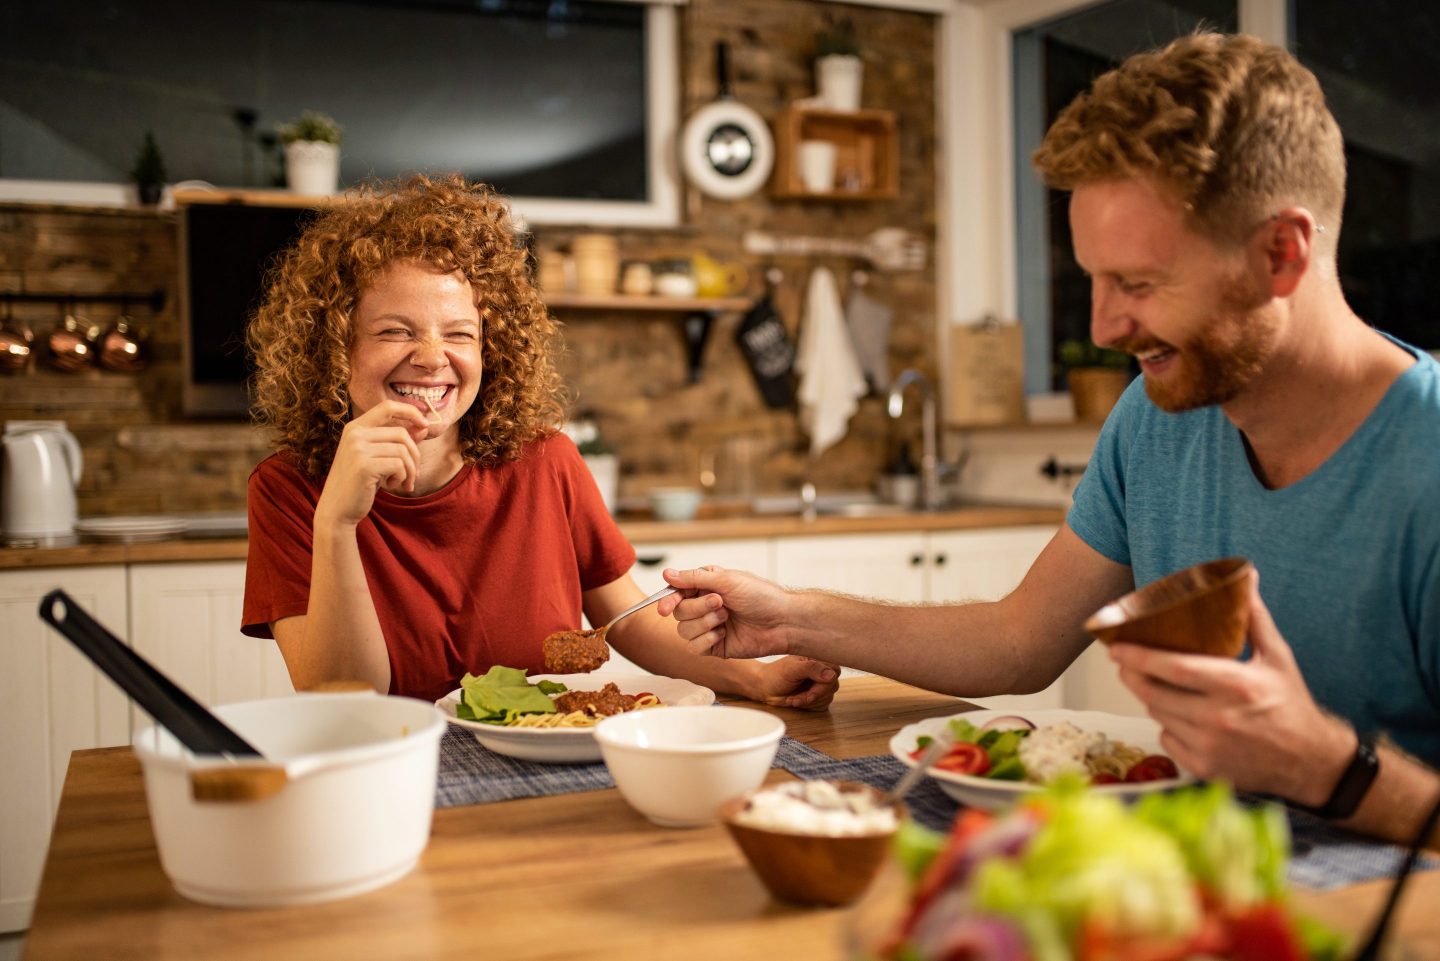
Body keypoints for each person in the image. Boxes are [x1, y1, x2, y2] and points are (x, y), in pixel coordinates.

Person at [659, 32, 1440, 848]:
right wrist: (790, 619)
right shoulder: (1155, 419)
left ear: (1282, 253)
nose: (1105, 327)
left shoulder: (1425, 458)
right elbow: (1020, 640)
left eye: (1138, 284)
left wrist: (1327, 764)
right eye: (1093, 279)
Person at [241, 173, 837, 710]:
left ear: (488, 348)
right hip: (396, 777)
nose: (430, 358)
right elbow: (344, 699)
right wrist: (338, 522)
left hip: (549, 766)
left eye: (459, 333)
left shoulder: (546, 461)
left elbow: (627, 623)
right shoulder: (289, 490)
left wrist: (756, 678)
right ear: (334, 348)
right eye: (394, 331)